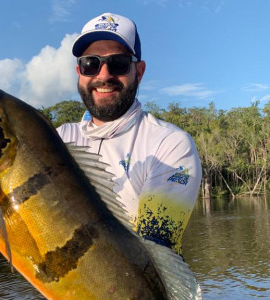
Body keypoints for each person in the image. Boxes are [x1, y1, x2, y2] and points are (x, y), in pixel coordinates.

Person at [57, 12, 202, 256]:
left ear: (140, 71)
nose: (103, 76)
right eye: (90, 64)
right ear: (79, 72)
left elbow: (154, 254)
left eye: (118, 63)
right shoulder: (60, 139)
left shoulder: (169, 145)